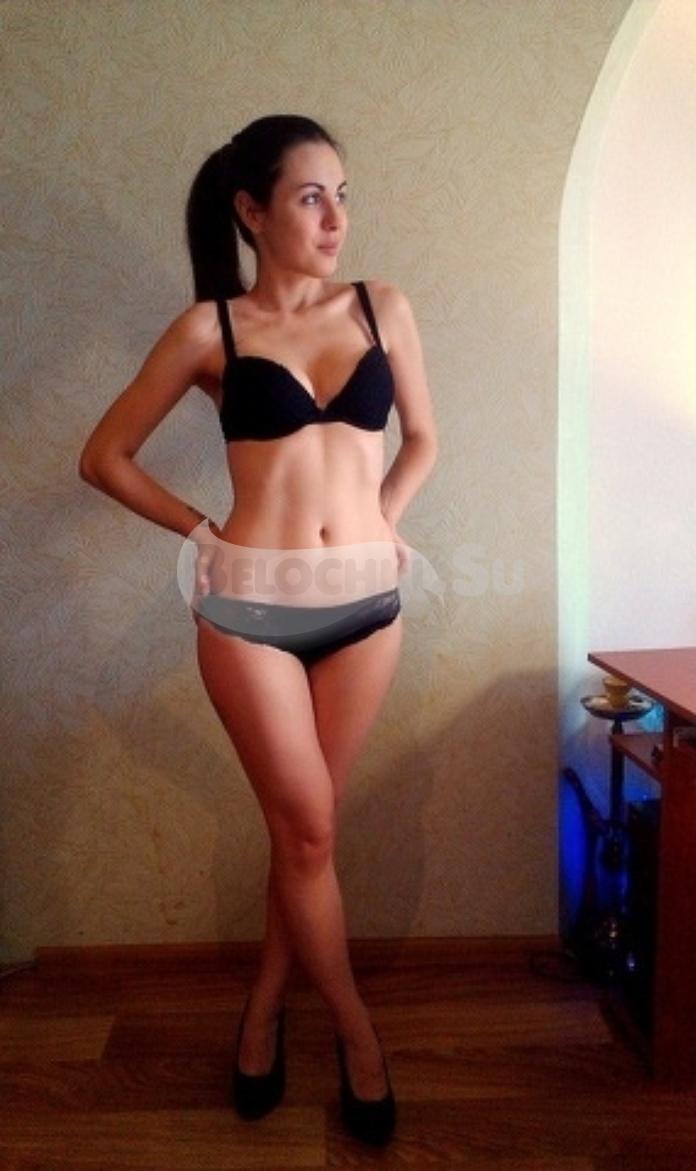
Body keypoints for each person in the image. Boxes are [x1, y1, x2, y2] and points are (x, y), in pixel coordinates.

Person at [78, 114, 437, 1145]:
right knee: (311, 831)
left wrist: (384, 521)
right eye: (310, 197)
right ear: (251, 210)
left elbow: (422, 438)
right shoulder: (211, 331)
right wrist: (201, 531)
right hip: (248, 609)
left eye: (342, 196)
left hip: (367, 606)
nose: (335, 219)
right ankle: (358, 1036)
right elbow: (104, 457)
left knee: (303, 833)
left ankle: (264, 1010)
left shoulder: (382, 306)